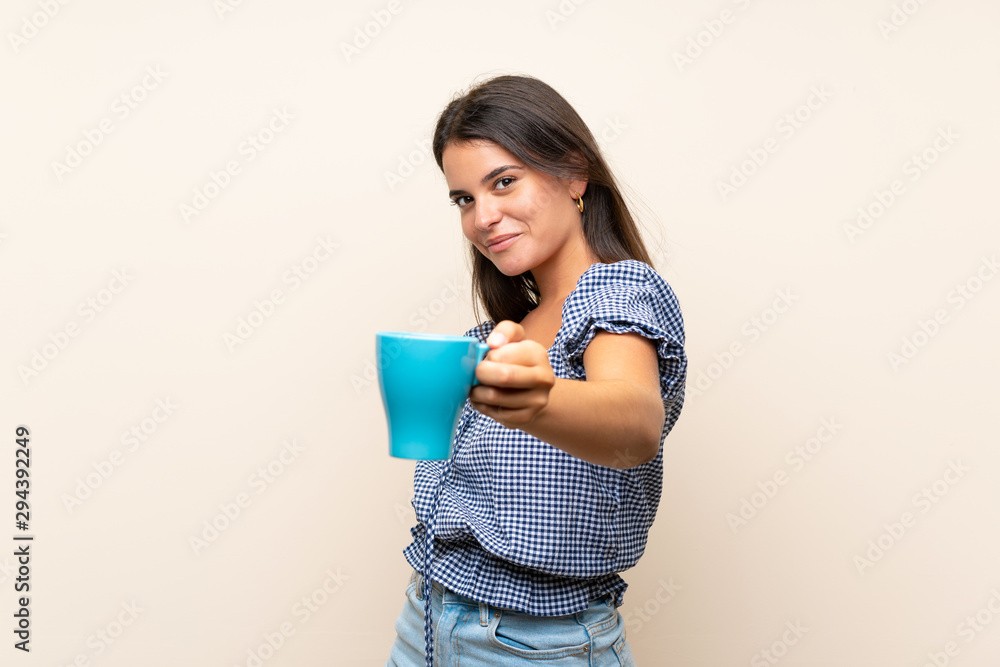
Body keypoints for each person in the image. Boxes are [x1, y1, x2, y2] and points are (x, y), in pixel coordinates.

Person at [386, 74, 686, 666]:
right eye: (464, 199)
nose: (483, 217)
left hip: (532, 644)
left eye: (503, 182)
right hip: (425, 621)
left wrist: (541, 401)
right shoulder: (500, 333)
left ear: (573, 173)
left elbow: (633, 422)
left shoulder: (614, 292)